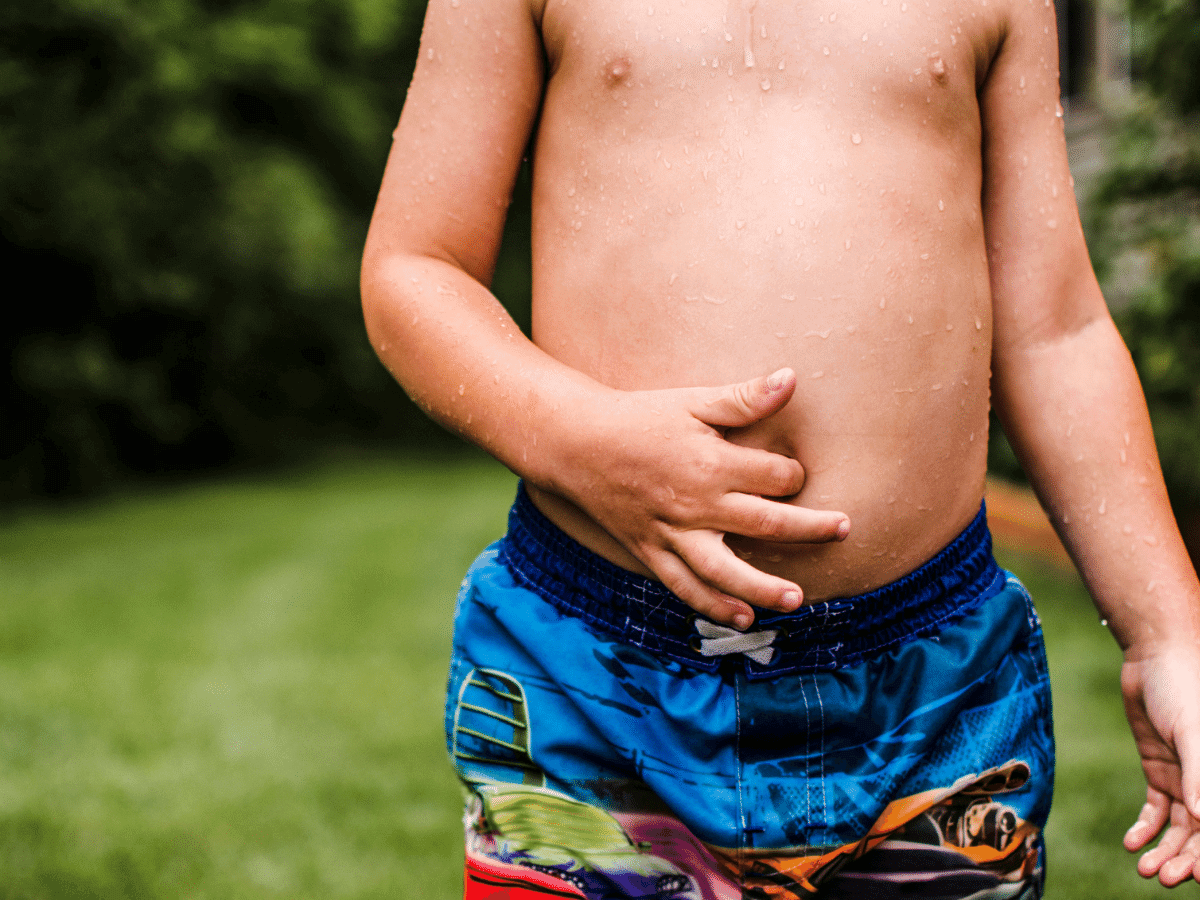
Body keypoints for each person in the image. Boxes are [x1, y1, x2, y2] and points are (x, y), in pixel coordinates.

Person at [360, 0, 1200, 894]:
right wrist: (579, 439)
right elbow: (415, 270)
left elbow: (1055, 331)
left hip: (935, 700)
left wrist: (1170, 632)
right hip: (596, 680)